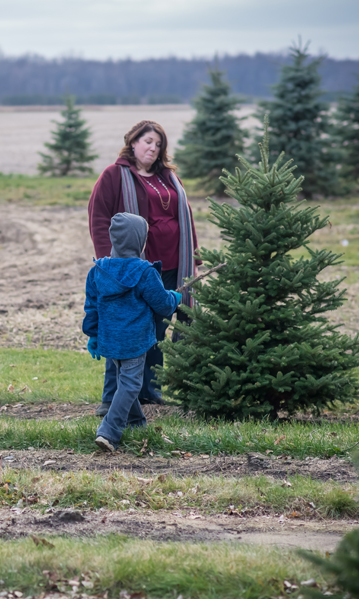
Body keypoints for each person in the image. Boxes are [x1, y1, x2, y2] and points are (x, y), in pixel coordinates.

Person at [87, 119, 199, 413]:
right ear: (133, 142)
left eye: (159, 143)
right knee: (132, 327)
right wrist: (108, 261)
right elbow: (99, 217)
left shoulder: (169, 178)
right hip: (135, 268)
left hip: (174, 262)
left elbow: (185, 218)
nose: (153, 147)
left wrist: (194, 260)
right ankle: (117, 395)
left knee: (158, 328)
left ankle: (150, 389)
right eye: (148, 141)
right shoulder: (115, 175)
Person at [82, 212, 181, 452]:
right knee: (130, 384)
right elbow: (162, 304)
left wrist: (93, 335)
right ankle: (109, 431)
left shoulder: (98, 270)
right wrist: (174, 298)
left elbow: (92, 307)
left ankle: (136, 423)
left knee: (123, 381)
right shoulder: (145, 272)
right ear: (139, 241)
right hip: (134, 341)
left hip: (110, 340)